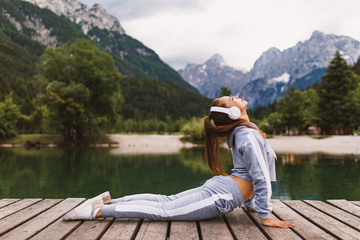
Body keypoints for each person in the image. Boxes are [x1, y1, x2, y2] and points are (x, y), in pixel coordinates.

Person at [63, 96, 294, 229]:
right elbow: (260, 176)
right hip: (223, 195)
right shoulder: (247, 134)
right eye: (231, 99)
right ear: (233, 113)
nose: (237, 96)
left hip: (224, 188)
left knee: (167, 201)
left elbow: (253, 174)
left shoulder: (245, 132)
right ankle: (100, 211)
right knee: (164, 210)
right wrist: (264, 215)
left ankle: (108, 201)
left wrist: (252, 204)